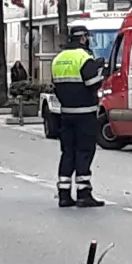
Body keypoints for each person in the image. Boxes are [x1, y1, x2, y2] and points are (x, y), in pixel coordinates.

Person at [50, 25, 106, 209]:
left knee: (68, 153)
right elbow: (92, 83)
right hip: (85, 113)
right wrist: (99, 69)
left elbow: (56, 85)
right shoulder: (83, 57)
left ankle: (64, 194)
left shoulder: (58, 59)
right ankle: (83, 193)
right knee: (84, 151)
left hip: (66, 113)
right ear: (83, 38)